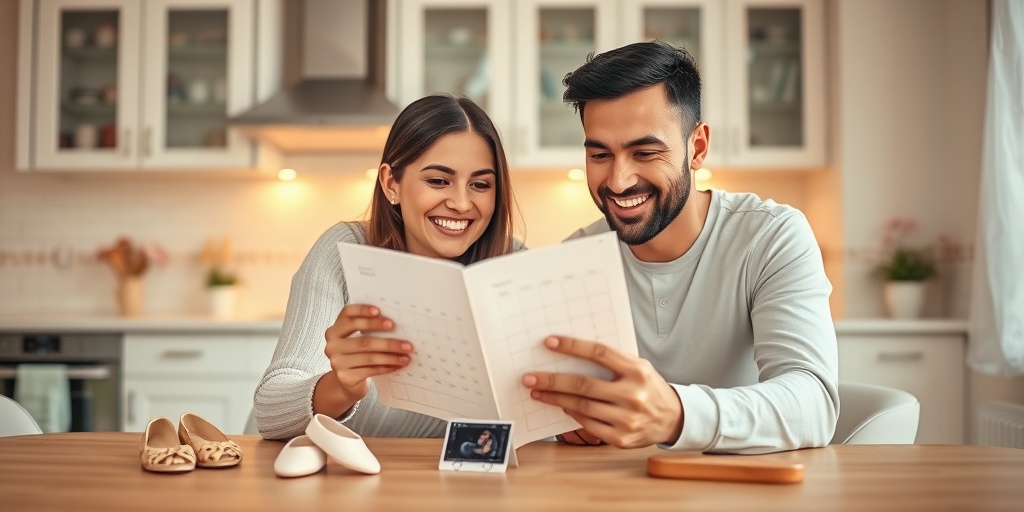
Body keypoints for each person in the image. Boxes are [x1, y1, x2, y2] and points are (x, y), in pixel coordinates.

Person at [521, 41, 839, 454]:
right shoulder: (574, 261)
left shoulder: (770, 237)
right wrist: (562, 421)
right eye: (600, 154)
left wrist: (676, 414)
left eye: (645, 152)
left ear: (698, 148)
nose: (618, 181)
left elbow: (814, 404)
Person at [254, 94, 518, 440]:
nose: (461, 203)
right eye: (438, 181)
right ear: (392, 184)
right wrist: (342, 388)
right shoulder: (343, 252)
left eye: (480, 184)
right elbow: (270, 414)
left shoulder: (513, 267)